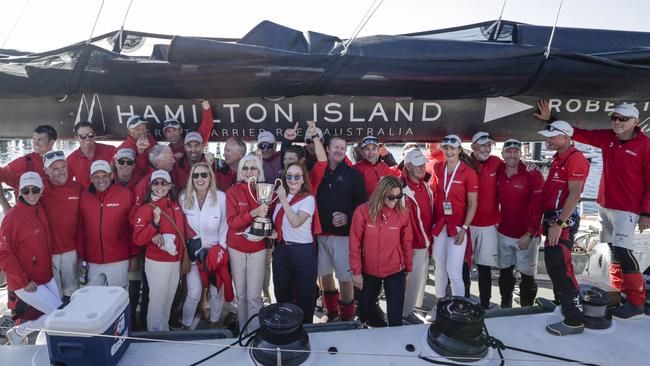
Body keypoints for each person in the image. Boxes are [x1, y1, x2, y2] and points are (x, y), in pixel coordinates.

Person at [536, 100, 649, 319]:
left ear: (635, 121)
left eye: (623, 119)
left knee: (624, 251)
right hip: (605, 205)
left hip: (628, 209)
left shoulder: (646, 146)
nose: (617, 122)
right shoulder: (609, 138)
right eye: (614, 118)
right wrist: (551, 119)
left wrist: (646, 212)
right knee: (612, 249)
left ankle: (637, 303)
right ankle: (620, 292)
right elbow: (578, 134)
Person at [537, 120, 590, 336]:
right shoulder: (560, 157)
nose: (548, 141)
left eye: (552, 137)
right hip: (553, 220)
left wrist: (559, 224)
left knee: (561, 267)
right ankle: (563, 306)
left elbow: (575, 195)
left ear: (566, 138)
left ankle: (574, 319)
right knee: (553, 265)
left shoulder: (575, 160)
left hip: (562, 222)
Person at [0, 172, 62, 345]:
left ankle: (42, 343)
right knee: (59, 313)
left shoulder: (39, 208)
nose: (31, 194)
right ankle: (19, 333)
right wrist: (24, 280)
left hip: (45, 276)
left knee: (57, 313)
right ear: (19, 192)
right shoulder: (12, 218)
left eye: (35, 189)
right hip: (25, 282)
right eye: (26, 190)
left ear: (41, 191)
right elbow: (3, 253)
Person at [316, 137, 367, 322]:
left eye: (343, 148)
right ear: (327, 149)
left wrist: (347, 216)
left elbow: (362, 205)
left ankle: (347, 317)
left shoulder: (353, 175)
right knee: (324, 274)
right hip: (320, 233)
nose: (339, 150)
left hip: (343, 236)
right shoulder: (318, 170)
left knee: (345, 277)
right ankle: (331, 312)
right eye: (335, 147)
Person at [350, 176, 413, 327]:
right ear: (381, 193)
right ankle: (380, 329)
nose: (395, 201)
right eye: (391, 197)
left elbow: (407, 242)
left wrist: (408, 268)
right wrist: (356, 272)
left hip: (395, 270)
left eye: (399, 196)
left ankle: (395, 343)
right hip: (369, 270)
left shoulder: (403, 214)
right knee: (364, 311)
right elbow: (354, 243)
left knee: (395, 316)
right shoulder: (362, 212)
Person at [133, 170, 191, 331]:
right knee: (157, 303)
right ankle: (154, 336)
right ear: (151, 186)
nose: (159, 186)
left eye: (163, 182)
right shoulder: (146, 209)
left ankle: (163, 333)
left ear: (170, 185)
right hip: (157, 263)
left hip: (175, 262)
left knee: (168, 300)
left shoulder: (175, 205)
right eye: (156, 183)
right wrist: (154, 226)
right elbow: (138, 238)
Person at [179, 162, 231, 329]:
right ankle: (186, 325)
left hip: (215, 254)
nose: (200, 178)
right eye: (196, 175)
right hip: (194, 255)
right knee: (194, 293)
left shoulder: (221, 197)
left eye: (204, 175)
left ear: (210, 177)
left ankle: (215, 324)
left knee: (216, 294)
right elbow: (180, 227)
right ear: (191, 179)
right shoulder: (183, 198)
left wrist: (221, 250)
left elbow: (225, 225)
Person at [430, 135, 478, 311]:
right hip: (441, 225)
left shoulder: (468, 172)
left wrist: (464, 229)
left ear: (459, 150)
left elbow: (473, 204)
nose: (449, 151)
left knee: (454, 271)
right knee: (439, 268)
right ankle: (438, 307)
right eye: (446, 148)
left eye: (452, 148)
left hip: (458, 227)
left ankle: (459, 309)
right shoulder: (438, 167)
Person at [496, 139, 544, 308]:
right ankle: (505, 305)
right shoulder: (499, 171)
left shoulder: (532, 173)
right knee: (505, 273)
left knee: (527, 276)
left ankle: (526, 308)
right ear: (502, 154)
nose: (512, 154)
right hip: (504, 232)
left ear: (521, 154)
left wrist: (530, 234)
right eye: (508, 151)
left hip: (526, 236)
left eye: (516, 151)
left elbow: (540, 207)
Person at [225, 154, 269, 334]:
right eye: (245, 168)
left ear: (259, 171)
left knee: (254, 297)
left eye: (253, 168)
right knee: (241, 295)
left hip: (258, 249)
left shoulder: (265, 191)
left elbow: (270, 220)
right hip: (236, 248)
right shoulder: (232, 192)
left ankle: (255, 332)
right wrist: (253, 213)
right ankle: (243, 331)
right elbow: (232, 222)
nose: (249, 171)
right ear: (240, 171)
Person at [272, 162, 320, 323]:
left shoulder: (308, 199)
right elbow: (282, 224)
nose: (292, 180)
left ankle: (306, 331)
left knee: (305, 297)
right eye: (289, 176)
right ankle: (285, 330)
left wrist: (284, 200)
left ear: (302, 179)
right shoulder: (279, 199)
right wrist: (273, 233)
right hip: (281, 251)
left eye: (297, 176)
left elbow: (296, 222)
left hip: (302, 252)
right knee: (281, 295)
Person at [78, 160, 135, 289]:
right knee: (91, 298)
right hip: (92, 260)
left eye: (104, 176)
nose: (101, 180)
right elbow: (80, 229)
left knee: (117, 299)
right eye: (96, 177)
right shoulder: (84, 197)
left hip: (118, 259)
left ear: (111, 176)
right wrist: (81, 257)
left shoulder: (125, 195)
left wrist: (134, 255)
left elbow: (132, 228)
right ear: (91, 178)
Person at [466, 131, 504, 309]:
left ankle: (485, 303)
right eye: (483, 145)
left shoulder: (497, 163)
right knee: (463, 265)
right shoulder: (464, 162)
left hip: (489, 225)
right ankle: (463, 299)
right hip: (467, 224)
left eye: (489, 145)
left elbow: (515, 169)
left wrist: (530, 167)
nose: (487, 148)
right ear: (473, 146)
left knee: (484, 267)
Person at [40, 151, 83, 300]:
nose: (61, 172)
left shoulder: (78, 187)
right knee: (54, 296)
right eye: (55, 168)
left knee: (73, 293)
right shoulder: (39, 187)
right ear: (46, 171)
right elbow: (10, 177)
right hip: (48, 252)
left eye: (63, 167)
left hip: (71, 251)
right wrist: (6, 205)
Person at [400, 149, 434, 324]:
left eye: (423, 163)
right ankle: (404, 314)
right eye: (417, 164)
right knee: (410, 281)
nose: (422, 167)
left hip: (425, 241)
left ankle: (409, 310)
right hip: (412, 244)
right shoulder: (401, 189)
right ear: (407, 166)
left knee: (418, 280)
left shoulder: (425, 186)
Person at [0, 125, 57, 190]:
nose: (35, 143)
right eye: (34, 139)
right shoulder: (24, 161)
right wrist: (3, 200)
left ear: (51, 142)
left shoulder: (61, 163)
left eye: (39, 140)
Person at [66, 121, 116, 189]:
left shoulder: (111, 150)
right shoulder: (71, 160)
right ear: (76, 138)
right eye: (83, 136)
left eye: (90, 134)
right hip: (85, 198)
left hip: (110, 196)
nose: (87, 138)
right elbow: (66, 183)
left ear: (95, 135)